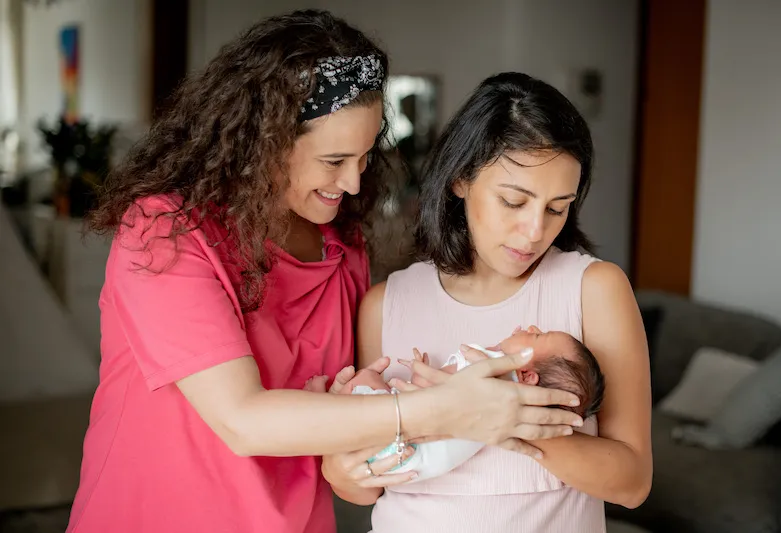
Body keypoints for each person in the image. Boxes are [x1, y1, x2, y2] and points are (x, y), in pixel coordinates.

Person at [65, 11, 586, 533]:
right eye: (334, 160)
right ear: (263, 143)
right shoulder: (167, 233)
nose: (355, 184)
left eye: (364, 158)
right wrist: (447, 410)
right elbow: (244, 420)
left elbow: (348, 427)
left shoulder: (343, 246)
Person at [327, 72, 652, 532]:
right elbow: (363, 487)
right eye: (514, 201)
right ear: (461, 179)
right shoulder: (388, 304)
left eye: (557, 207)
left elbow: (633, 483)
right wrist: (339, 469)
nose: (535, 230)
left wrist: (500, 416)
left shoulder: (593, 289)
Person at [323, 326, 605, 483]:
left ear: (527, 375)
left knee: (366, 378)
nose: (531, 327)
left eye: (537, 336)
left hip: (389, 447)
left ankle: (320, 401)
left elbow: (429, 392)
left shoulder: (483, 365)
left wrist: (420, 371)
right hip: (407, 466)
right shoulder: (504, 413)